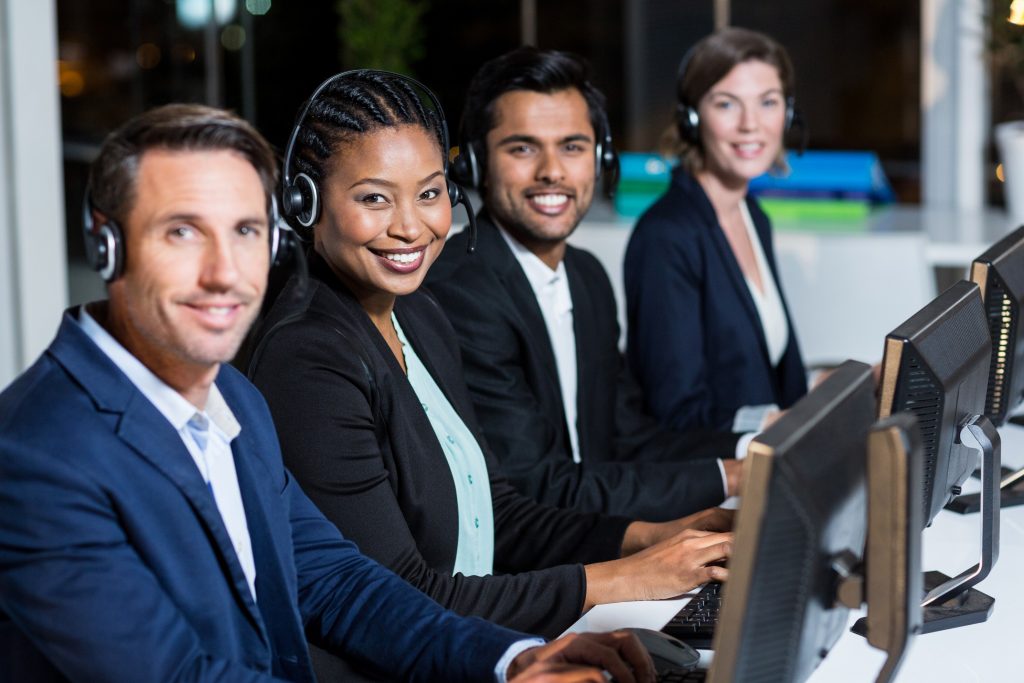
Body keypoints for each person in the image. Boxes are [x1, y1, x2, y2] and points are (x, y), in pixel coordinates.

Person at [0, 103, 656, 683]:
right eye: (183, 232)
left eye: (246, 231)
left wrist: (508, 659)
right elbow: (182, 673)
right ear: (106, 244)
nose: (224, 273)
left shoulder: (229, 396)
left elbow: (339, 581)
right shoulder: (37, 456)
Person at [247, 70, 733, 649]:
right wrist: (622, 578)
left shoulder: (420, 315)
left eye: (429, 193)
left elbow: (497, 514)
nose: (410, 227)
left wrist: (657, 535)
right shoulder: (307, 358)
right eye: (374, 198)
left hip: (479, 639)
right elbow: (402, 597)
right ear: (305, 205)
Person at [427, 47, 746, 520]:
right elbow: (538, 486)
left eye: (572, 146)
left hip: (597, 541)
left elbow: (630, 440)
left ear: (601, 159)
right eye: (523, 148)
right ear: (474, 165)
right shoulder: (462, 291)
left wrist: (756, 448)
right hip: (532, 574)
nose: (552, 171)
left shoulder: (587, 277)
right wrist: (735, 477)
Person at [624, 27, 808, 434]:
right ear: (692, 119)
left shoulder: (752, 215)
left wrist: (865, 381)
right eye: (726, 104)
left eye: (768, 103)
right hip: (716, 485)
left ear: (787, 114)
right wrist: (788, 423)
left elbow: (770, 381)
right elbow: (678, 414)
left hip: (776, 465)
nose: (751, 124)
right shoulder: (666, 237)